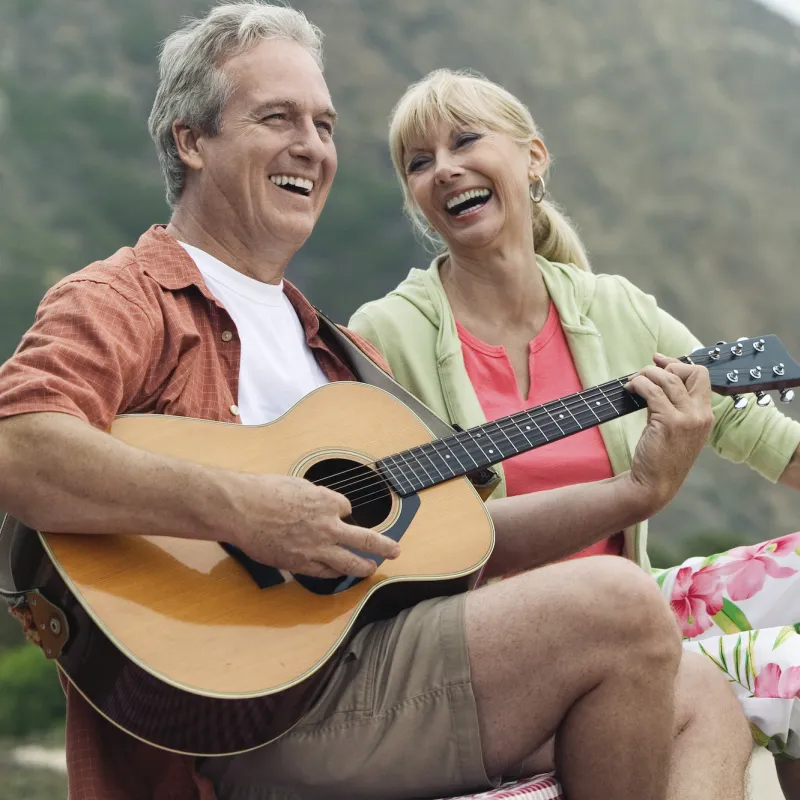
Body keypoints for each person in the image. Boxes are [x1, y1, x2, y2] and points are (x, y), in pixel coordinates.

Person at [0, 5, 751, 800]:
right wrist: (245, 511)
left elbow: (454, 541)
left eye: (324, 124)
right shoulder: (129, 296)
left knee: (704, 698)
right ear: (192, 140)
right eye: (277, 118)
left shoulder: (330, 345)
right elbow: (18, 446)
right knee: (619, 602)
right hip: (253, 715)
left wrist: (636, 492)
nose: (312, 146)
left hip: (370, 670)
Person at [347, 66, 800, 796]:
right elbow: (400, 536)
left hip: (639, 610)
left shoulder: (615, 309)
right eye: (419, 162)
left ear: (533, 158)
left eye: (465, 140)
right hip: (502, 646)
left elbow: (767, 438)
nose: (445, 168)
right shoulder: (385, 333)